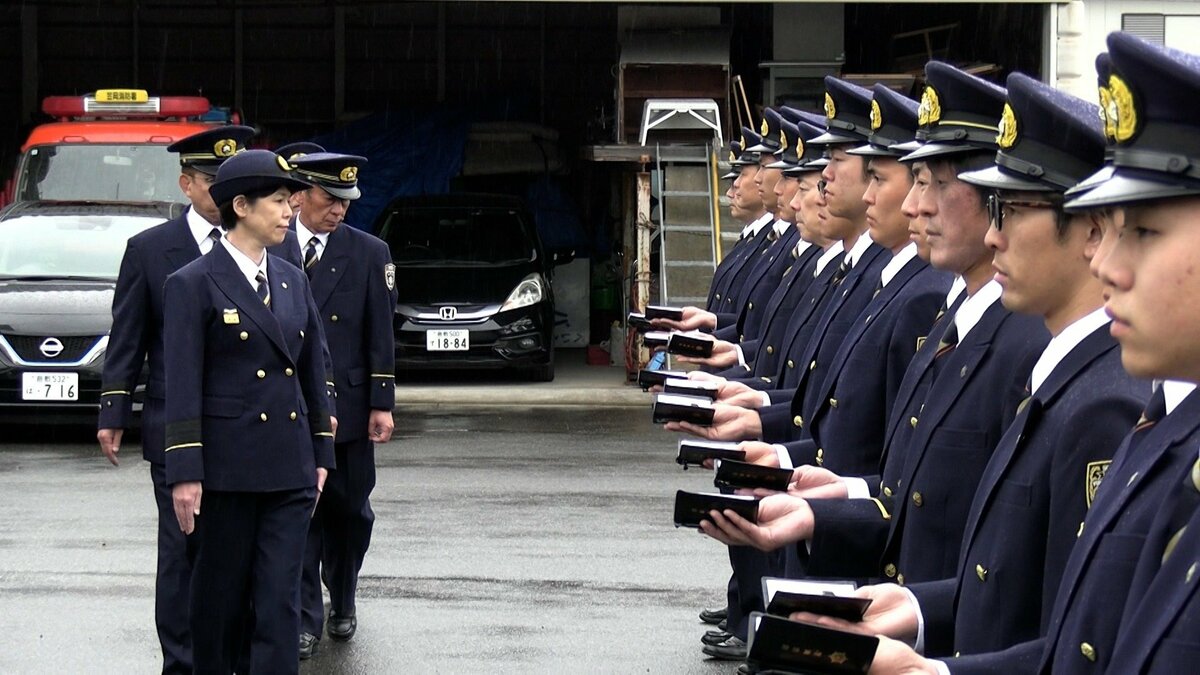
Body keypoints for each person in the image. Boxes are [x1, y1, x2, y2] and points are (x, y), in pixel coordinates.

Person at [162, 149, 336, 674]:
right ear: (241, 205)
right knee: (219, 603)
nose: (290, 211)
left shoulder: (290, 278)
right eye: (280, 201)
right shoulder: (192, 283)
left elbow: (312, 368)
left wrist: (321, 452)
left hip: (288, 470)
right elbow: (183, 383)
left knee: (279, 602)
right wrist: (185, 474)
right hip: (227, 473)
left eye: (291, 200)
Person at [97, 124, 254, 674]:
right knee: (181, 551)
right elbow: (128, 337)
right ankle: (182, 662)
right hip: (173, 424)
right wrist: (114, 410)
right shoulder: (150, 250)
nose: (225, 195)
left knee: (233, 553)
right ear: (187, 184)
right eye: (214, 182)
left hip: (240, 425)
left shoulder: (254, 250)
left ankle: (229, 656)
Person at [267, 151, 397, 658]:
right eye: (329, 198)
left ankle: (343, 594)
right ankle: (304, 615)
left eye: (347, 200)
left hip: (350, 406)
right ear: (299, 196)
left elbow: (380, 333)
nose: (339, 209)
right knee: (299, 513)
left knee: (350, 513)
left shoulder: (369, 252)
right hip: (291, 405)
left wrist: (381, 402)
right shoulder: (271, 248)